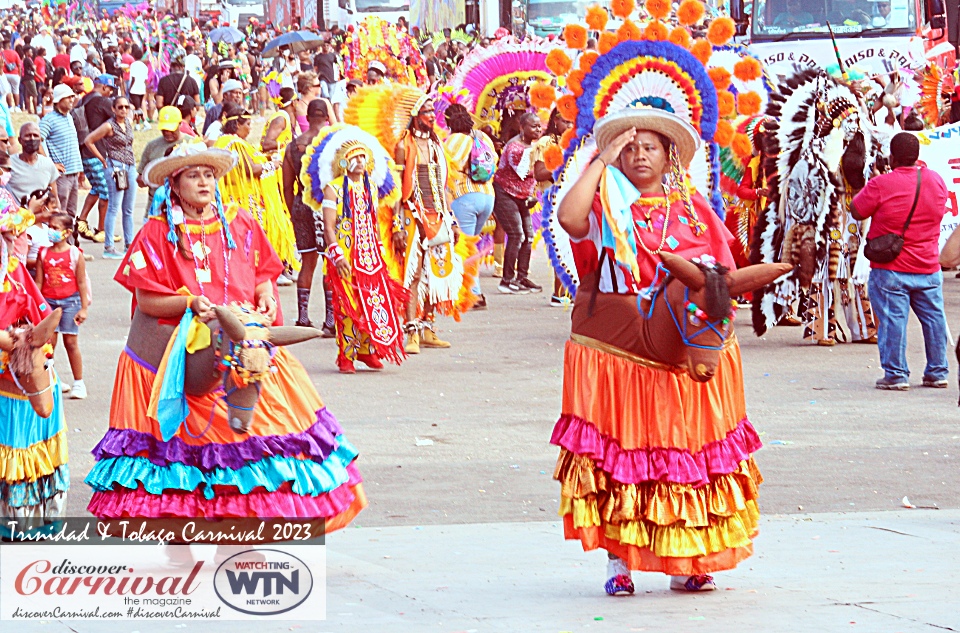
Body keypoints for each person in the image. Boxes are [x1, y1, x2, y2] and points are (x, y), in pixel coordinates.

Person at [85, 141, 367, 548]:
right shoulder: (155, 232)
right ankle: (182, 540)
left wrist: (267, 295)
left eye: (209, 174)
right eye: (193, 175)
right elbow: (147, 300)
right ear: (174, 185)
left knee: (260, 447)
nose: (204, 182)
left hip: (245, 347)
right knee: (178, 459)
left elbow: (262, 274)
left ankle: (243, 539)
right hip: (176, 355)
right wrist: (190, 302)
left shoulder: (242, 224)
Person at [852, 132, 949, 390]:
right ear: (917, 156)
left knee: (893, 320)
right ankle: (938, 371)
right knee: (934, 319)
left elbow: (857, 209)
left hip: (891, 268)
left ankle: (896, 374)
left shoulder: (881, 184)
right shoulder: (936, 180)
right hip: (928, 265)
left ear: (892, 157)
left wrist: (875, 181)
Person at [309, 125, 409, 373]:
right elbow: (329, 227)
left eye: (363, 156)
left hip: (370, 256)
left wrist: (379, 248)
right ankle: (346, 355)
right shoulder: (332, 188)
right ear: (344, 161)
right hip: (345, 255)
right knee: (346, 306)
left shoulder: (370, 188)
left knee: (372, 302)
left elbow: (374, 221)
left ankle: (366, 351)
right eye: (355, 157)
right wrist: (337, 254)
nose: (361, 161)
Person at [0, 188, 67, 538]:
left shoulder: (15, 274)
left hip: (30, 376)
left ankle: (38, 514)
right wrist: (15, 342)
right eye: (9, 234)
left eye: (15, 234)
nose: (15, 240)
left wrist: (35, 343)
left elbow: (41, 312)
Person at [391, 92, 469, 353]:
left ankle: (428, 329)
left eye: (432, 112)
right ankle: (411, 332)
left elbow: (444, 187)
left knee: (438, 272)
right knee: (413, 273)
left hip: (439, 215)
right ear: (415, 117)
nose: (431, 117)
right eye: (426, 112)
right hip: (414, 215)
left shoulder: (437, 147)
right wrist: (397, 225)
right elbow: (396, 191)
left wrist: (453, 220)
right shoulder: (404, 147)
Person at [213, 104, 299, 276]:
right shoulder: (235, 143)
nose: (250, 129)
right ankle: (264, 271)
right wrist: (272, 165)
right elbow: (250, 169)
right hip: (245, 200)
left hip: (231, 198)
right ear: (237, 125)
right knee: (257, 233)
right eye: (248, 124)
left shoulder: (222, 141)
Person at [442, 103, 496, 309]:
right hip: (487, 197)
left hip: (464, 197)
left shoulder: (454, 140)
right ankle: (473, 292)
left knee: (463, 247)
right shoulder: (483, 139)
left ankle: (472, 295)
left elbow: (447, 169)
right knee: (471, 245)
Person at [33, 211, 89, 399]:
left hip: (70, 302)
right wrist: (37, 306)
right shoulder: (43, 253)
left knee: (71, 342)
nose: (51, 231)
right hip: (49, 303)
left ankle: (79, 382)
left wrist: (83, 308)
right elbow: (39, 283)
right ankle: (51, 378)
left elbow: (81, 282)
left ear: (66, 233)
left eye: (55, 228)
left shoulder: (75, 254)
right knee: (50, 343)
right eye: (50, 227)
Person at [493, 112, 548, 295]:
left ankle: (521, 277)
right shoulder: (515, 147)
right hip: (505, 194)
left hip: (522, 197)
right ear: (522, 127)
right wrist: (551, 166)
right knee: (517, 235)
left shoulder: (534, 146)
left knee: (528, 236)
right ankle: (506, 280)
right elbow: (526, 172)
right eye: (533, 126)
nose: (538, 129)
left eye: (539, 126)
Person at [83, 95, 137, 259]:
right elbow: (89, 140)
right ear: (113, 109)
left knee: (128, 209)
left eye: (126, 107)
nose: (123, 110)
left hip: (130, 166)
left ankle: (129, 244)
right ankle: (109, 246)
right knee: (114, 206)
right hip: (116, 167)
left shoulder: (128, 123)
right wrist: (102, 159)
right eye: (120, 107)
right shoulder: (108, 126)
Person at [76, 74, 117, 244]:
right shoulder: (103, 102)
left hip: (84, 152)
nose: (111, 93)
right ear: (105, 87)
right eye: (111, 89)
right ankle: (102, 230)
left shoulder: (83, 100)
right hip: (97, 151)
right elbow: (117, 121)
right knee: (106, 191)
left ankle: (82, 221)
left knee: (97, 188)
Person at [39, 84, 83, 229]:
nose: (72, 99)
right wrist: (50, 164)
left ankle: (70, 248)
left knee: (71, 213)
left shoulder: (69, 117)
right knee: (60, 212)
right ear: (59, 100)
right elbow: (38, 141)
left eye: (72, 96)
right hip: (61, 176)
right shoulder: (49, 119)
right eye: (68, 97)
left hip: (73, 173)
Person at [138, 106, 184, 212]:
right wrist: (149, 179)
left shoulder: (192, 144)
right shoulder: (152, 146)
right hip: (155, 207)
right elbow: (140, 179)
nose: (167, 133)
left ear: (180, 124)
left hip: (182, 208)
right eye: (164, 129)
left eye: (171, 129)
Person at [7, 122, 59, 207]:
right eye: (28, 135)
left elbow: (55, 197)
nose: (32, 139)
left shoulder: (48, 164)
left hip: (42, 216)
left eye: (35, 135)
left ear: (40, 140)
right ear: (20, 140)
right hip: (17, 217)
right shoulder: (9, 163)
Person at [128, 45, 148, 130]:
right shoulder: (144, 66)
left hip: (135, 89)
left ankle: (146, 123)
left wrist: (130, 87)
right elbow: (145, 79)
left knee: (138, 107)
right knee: (137, 107)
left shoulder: (133, 65)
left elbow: (133, 78)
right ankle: (137, 125)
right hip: (142, 88)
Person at [2, 39, 21, 111]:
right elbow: (19, 65)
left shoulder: (1, 53)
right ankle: (17, 106)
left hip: (5, 74)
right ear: (9, 45)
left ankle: (10, 107)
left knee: (8, 91)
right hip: (15, 74)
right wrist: (19, 74)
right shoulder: (15, 53)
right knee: (16, 90)